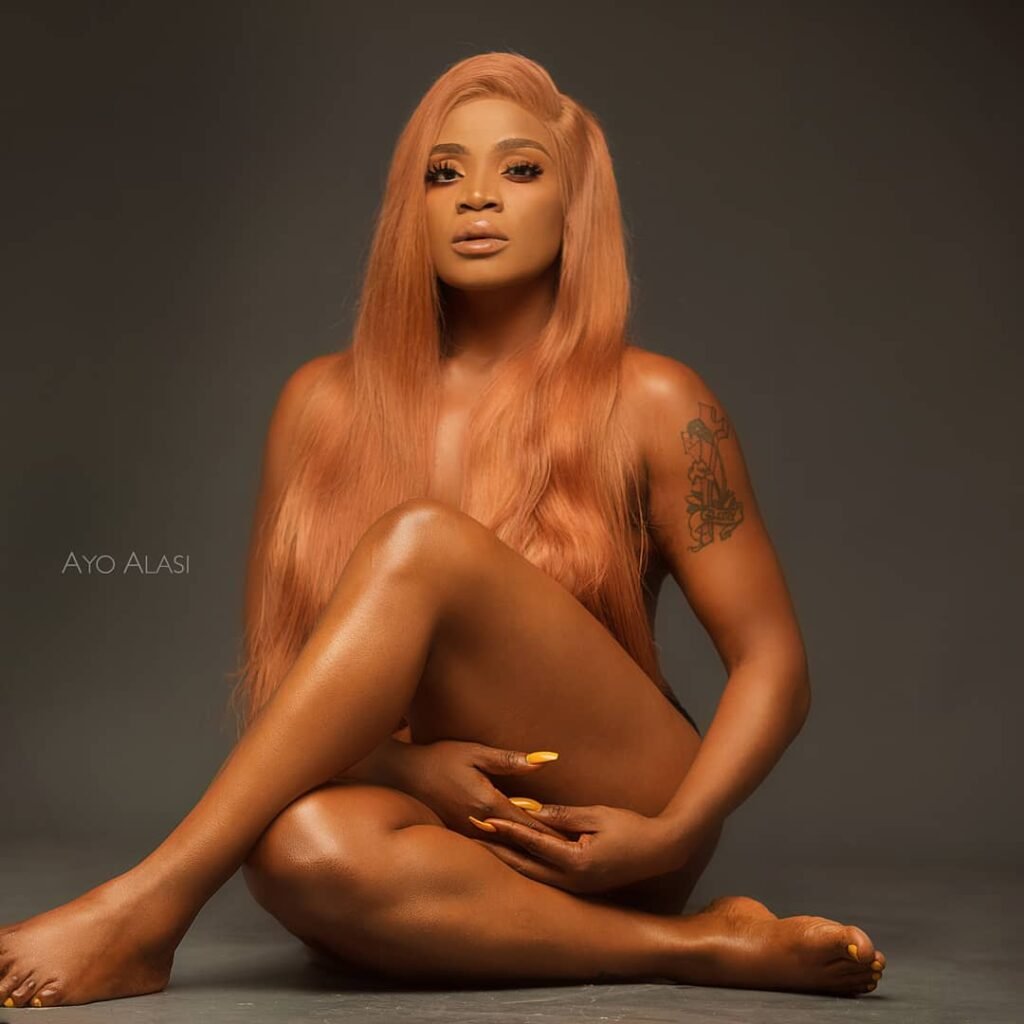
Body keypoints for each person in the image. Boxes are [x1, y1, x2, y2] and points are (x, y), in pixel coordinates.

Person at [0, 51, 886, 1008]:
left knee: (421, 542)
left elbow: (773, 665)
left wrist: (675, 832)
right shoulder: (318, 406)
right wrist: (412, 771)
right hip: (436, 812)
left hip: (613, 808)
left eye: (520, 169)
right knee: (297, 849)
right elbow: (279, 694)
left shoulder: (658, 401)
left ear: (574, 203)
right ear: (409, 210)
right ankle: (697, 947)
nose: (477, 197)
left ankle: (147, 905)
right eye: (443, 172)